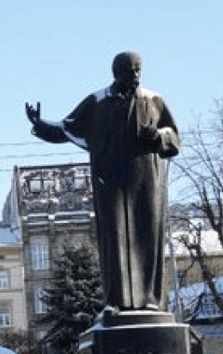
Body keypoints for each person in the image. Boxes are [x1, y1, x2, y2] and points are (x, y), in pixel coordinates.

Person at [26, 52, 181, 314]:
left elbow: (174, 137)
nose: (135, 75)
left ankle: (151, 301)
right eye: (129, 70)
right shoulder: (97, 102)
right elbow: (67, 128)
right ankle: (115, 302)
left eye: (138, 70)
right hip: (110, 182)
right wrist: (39, 124)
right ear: (116, 72)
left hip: (147, 183)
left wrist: (158, 136)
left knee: (147, 239)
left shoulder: (153, 100)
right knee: (114, 240)